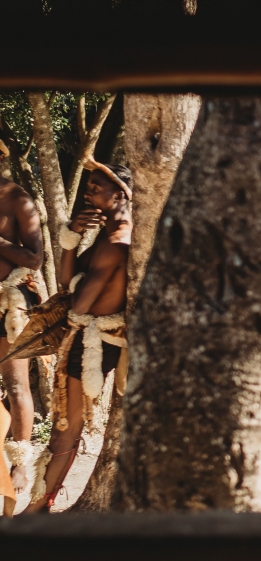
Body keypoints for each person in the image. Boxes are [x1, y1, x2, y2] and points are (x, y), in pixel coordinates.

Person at [24, 160, 132, 513]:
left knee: (65, 430)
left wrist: (73, 300)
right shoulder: (106, 234)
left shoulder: (118, 241)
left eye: (95, 188)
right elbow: (68, 277)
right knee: (62, 427)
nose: (88, 193)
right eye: (87, 187)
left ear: (119, 195)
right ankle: (40, 505)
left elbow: (78, 303)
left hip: (94, 343)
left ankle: (39, 508)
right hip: (86, 336)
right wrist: (72, 233)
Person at [0, 138, 45, 500]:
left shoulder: (16, 199)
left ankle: (19, 464)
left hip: (10, 303)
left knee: (16, 386)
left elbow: (35, 258)